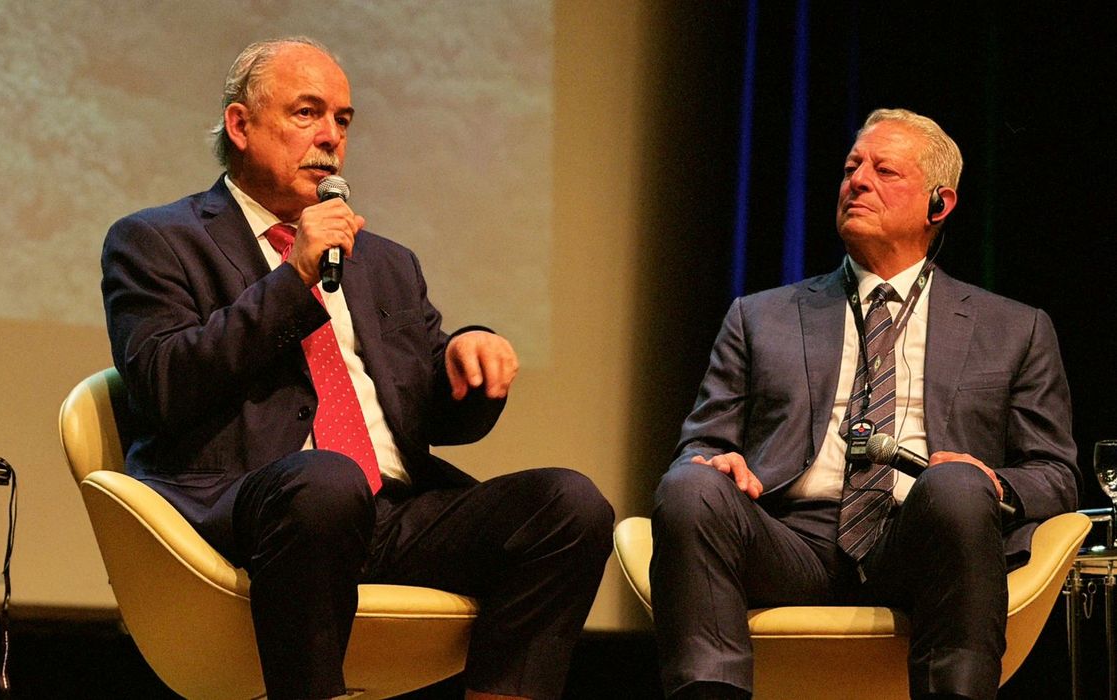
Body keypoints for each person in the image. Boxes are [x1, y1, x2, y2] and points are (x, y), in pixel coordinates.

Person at [101, 36, 613, 700]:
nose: (331, 138)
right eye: (307, 113)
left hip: (391, 512)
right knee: (327, 481)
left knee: (570, 506)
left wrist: (469, 363)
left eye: (342, 120)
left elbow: (434, 415)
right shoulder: (158, 241)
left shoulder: (385, 261)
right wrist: (293, 279)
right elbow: (162, 386)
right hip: (252, 503)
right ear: (241, 126)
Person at [650, 108, 1078, 700]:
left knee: (956, 485)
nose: (858, 181)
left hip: (925, 537)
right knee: (689, 487)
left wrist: (991, 482)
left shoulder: (1014, 329)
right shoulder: (760, 316)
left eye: (885, 171)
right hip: (787, 539)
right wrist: (716, 461)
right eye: (852, 167)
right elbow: (702, 442)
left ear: (939, 204)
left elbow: (1056, 474)